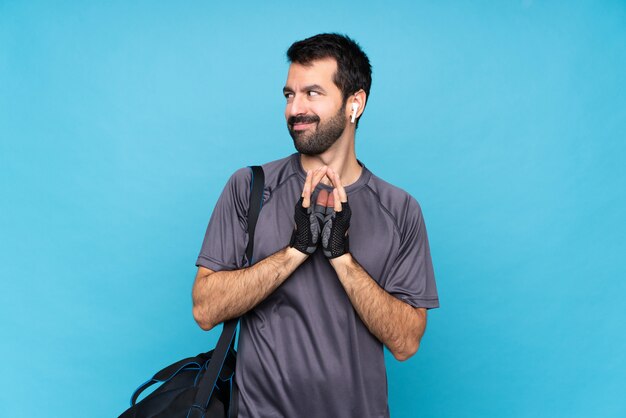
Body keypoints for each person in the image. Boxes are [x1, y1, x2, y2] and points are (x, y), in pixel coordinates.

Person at [192, 33, 439, 418]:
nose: (295, 109)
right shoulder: (250, 187)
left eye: (312, 93)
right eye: (289, 95)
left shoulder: (400, 209)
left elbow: (406, 342)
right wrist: (295, 251)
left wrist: (342, 257)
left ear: (354, 103)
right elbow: (205, 309)